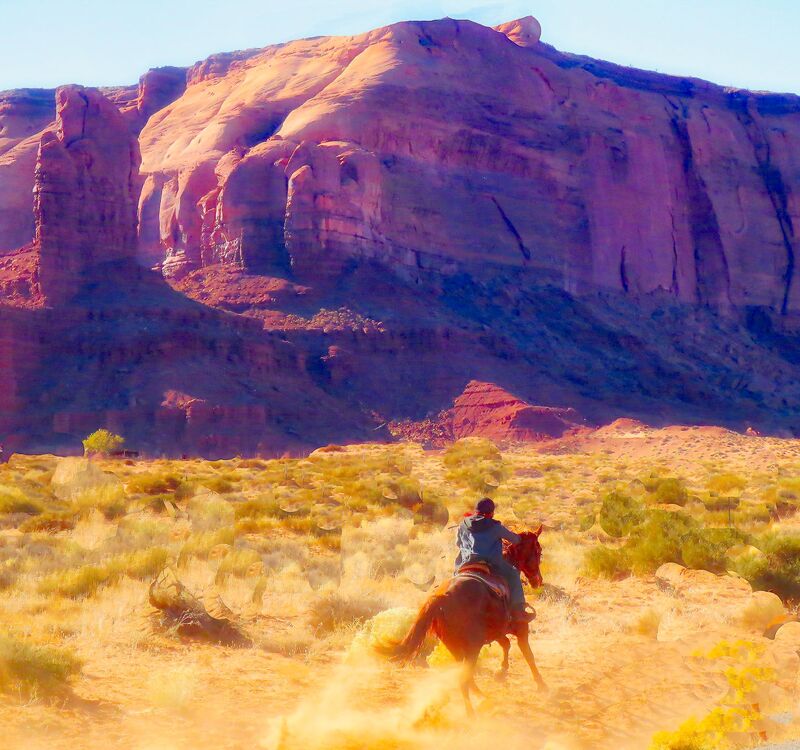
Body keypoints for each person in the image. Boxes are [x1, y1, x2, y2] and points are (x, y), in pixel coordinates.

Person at [455, 497, 534, 624]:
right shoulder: (495, 526)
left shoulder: (463, 524)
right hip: (491, 564)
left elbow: (458, 543)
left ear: (476, 511)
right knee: (513, 574)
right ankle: (519, 611)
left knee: (454, 580)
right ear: (491, 512)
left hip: (465, 564)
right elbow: (516, 540)